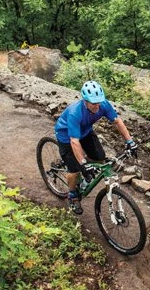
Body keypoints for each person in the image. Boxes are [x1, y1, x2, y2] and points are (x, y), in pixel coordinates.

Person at [54, 80, 137, 214]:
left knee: (100, 157)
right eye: (93, 103)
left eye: (99, 102)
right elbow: (74, 141)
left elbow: (117, 121)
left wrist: (130, 141)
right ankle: (72, 195)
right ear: (85, 101)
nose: (97, 105)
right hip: (66, 136)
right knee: (74, 170)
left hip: (85, 131)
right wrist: (83, 163)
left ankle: (85, 171)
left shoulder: (103, 105)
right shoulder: (75, 113)